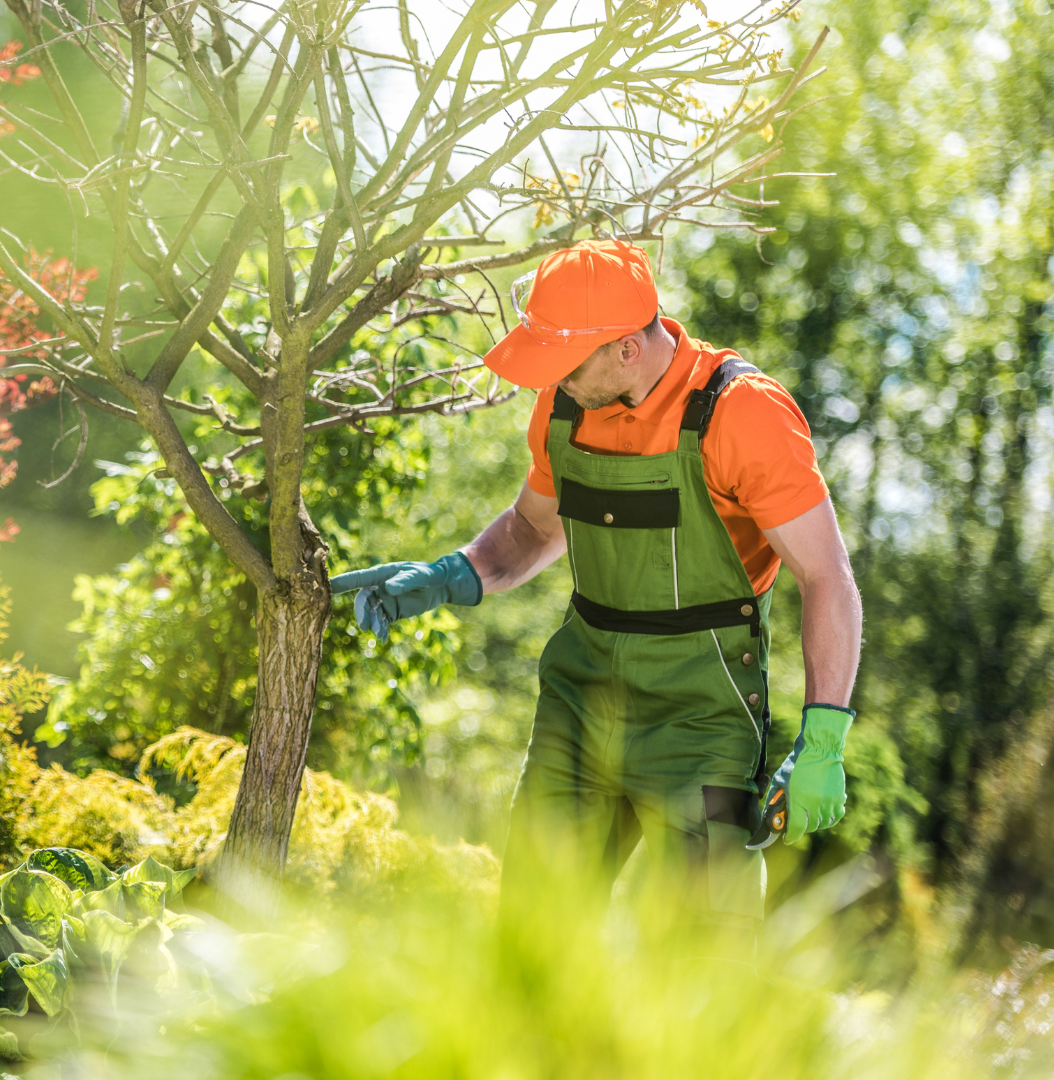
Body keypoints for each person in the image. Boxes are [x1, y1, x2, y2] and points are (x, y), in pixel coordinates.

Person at [332, 240, 862, 958]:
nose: (548, 383)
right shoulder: (566, 407)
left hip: (701, 718)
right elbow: (530, 528)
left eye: (565, 364)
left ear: (626, 352)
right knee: (534, 936)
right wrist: (451, 575)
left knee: (703, 957)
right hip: (579, 703)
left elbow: (827, 575)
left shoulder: (740, 414)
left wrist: (823, 736)